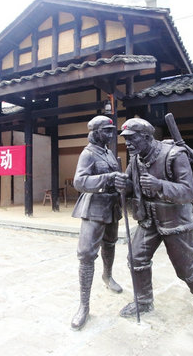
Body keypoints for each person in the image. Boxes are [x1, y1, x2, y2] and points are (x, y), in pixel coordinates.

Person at [114, 117, 193, 318]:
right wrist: (124, 185)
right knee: (136, 258)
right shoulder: (136, 158)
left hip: (176, 221)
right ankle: (143, 301)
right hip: (148, 219)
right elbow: (132, 185)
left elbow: (188, 192)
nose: (127, 143)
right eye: (125, 139)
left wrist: (160, 185)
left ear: (147, 137)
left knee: (184, 266)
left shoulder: (174, 155)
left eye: (132, 138)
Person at [70, 115, 123, 330]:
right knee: (86, 255)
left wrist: (121, 181)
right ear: (95, 133)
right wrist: (107, 178)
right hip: (94, 208)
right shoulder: (88, 154)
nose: (111, 134)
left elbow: (116, 176)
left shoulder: (109, 153)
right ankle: (84, 305)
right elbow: (79, 181)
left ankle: (107, 276)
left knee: (110, 244)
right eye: (106, 131)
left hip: (112, 206)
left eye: (112, 131)